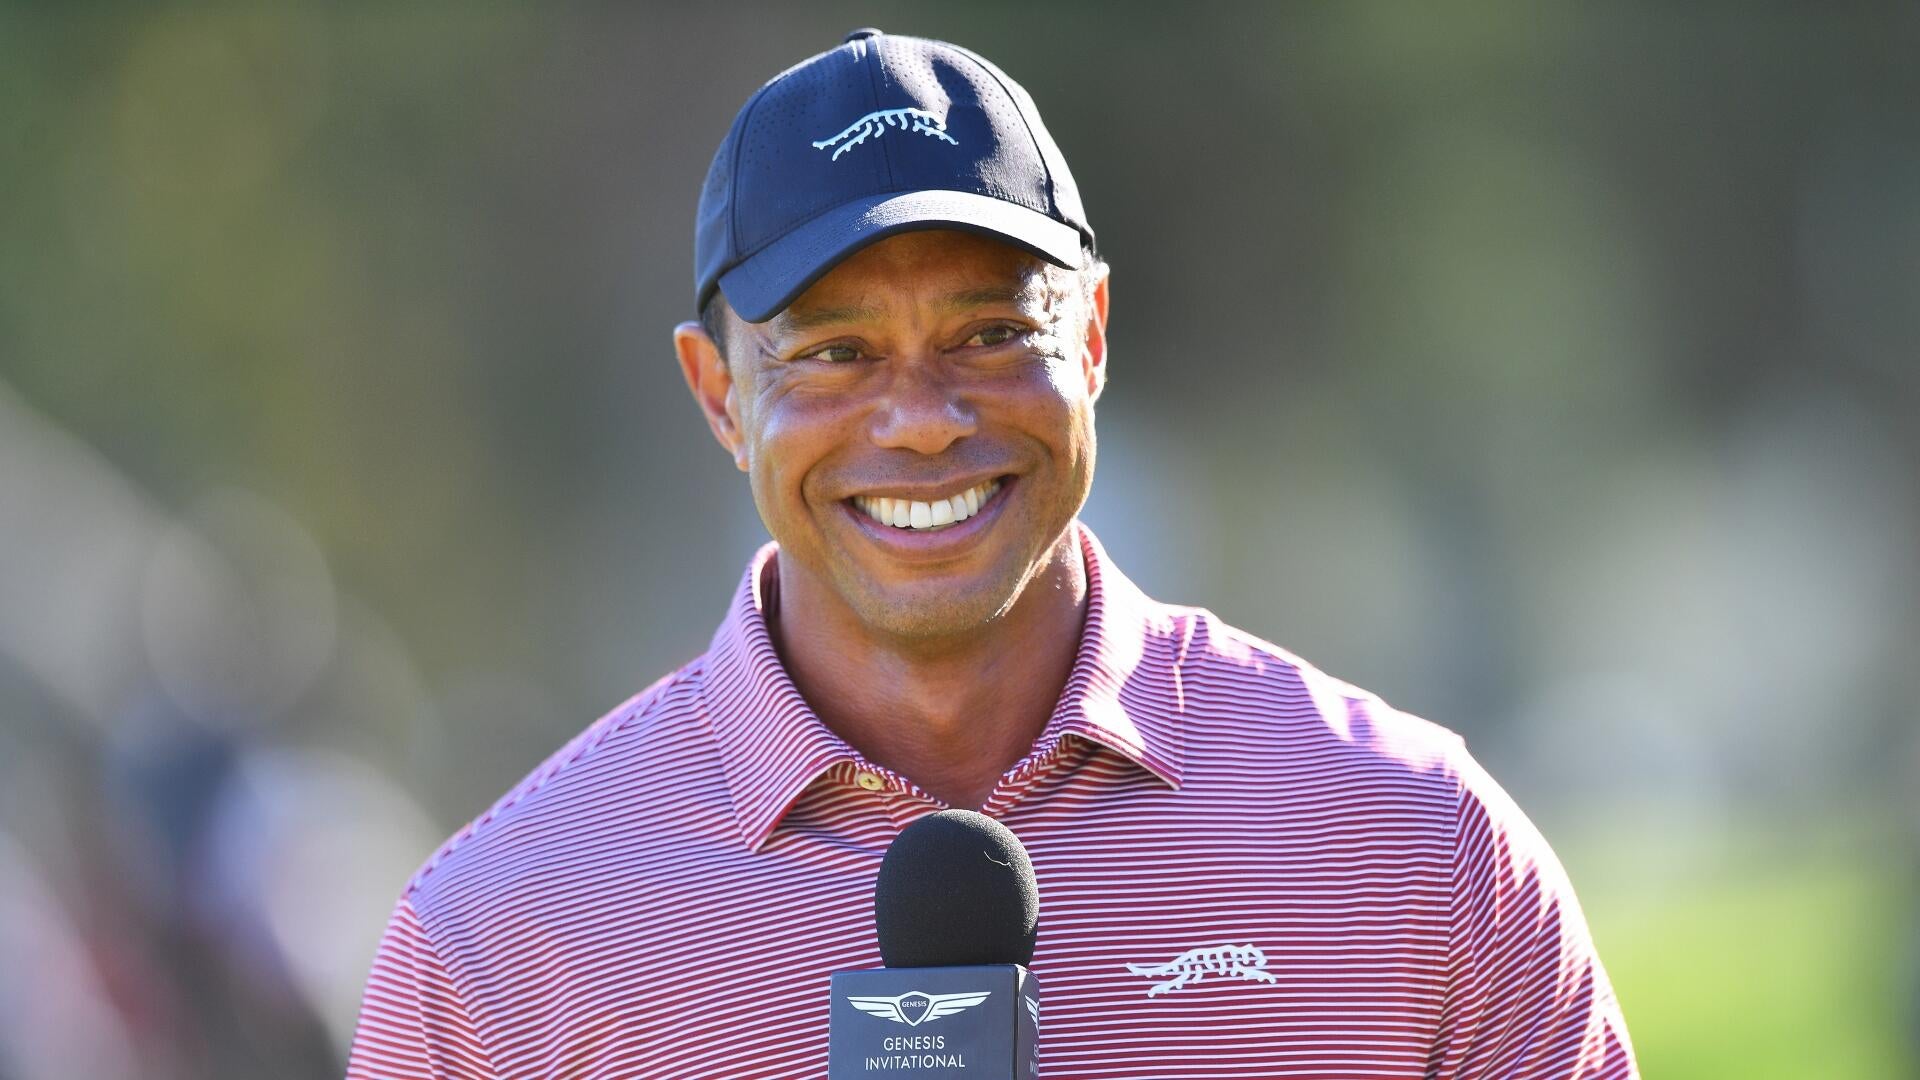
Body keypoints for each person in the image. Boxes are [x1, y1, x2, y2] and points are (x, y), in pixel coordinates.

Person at [345, 28, 1637, 1079]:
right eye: (835, 353)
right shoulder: (499, 948)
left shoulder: (1414, 848)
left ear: (1092, 338)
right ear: (719, 395)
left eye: (989, 334)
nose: (921, 419)